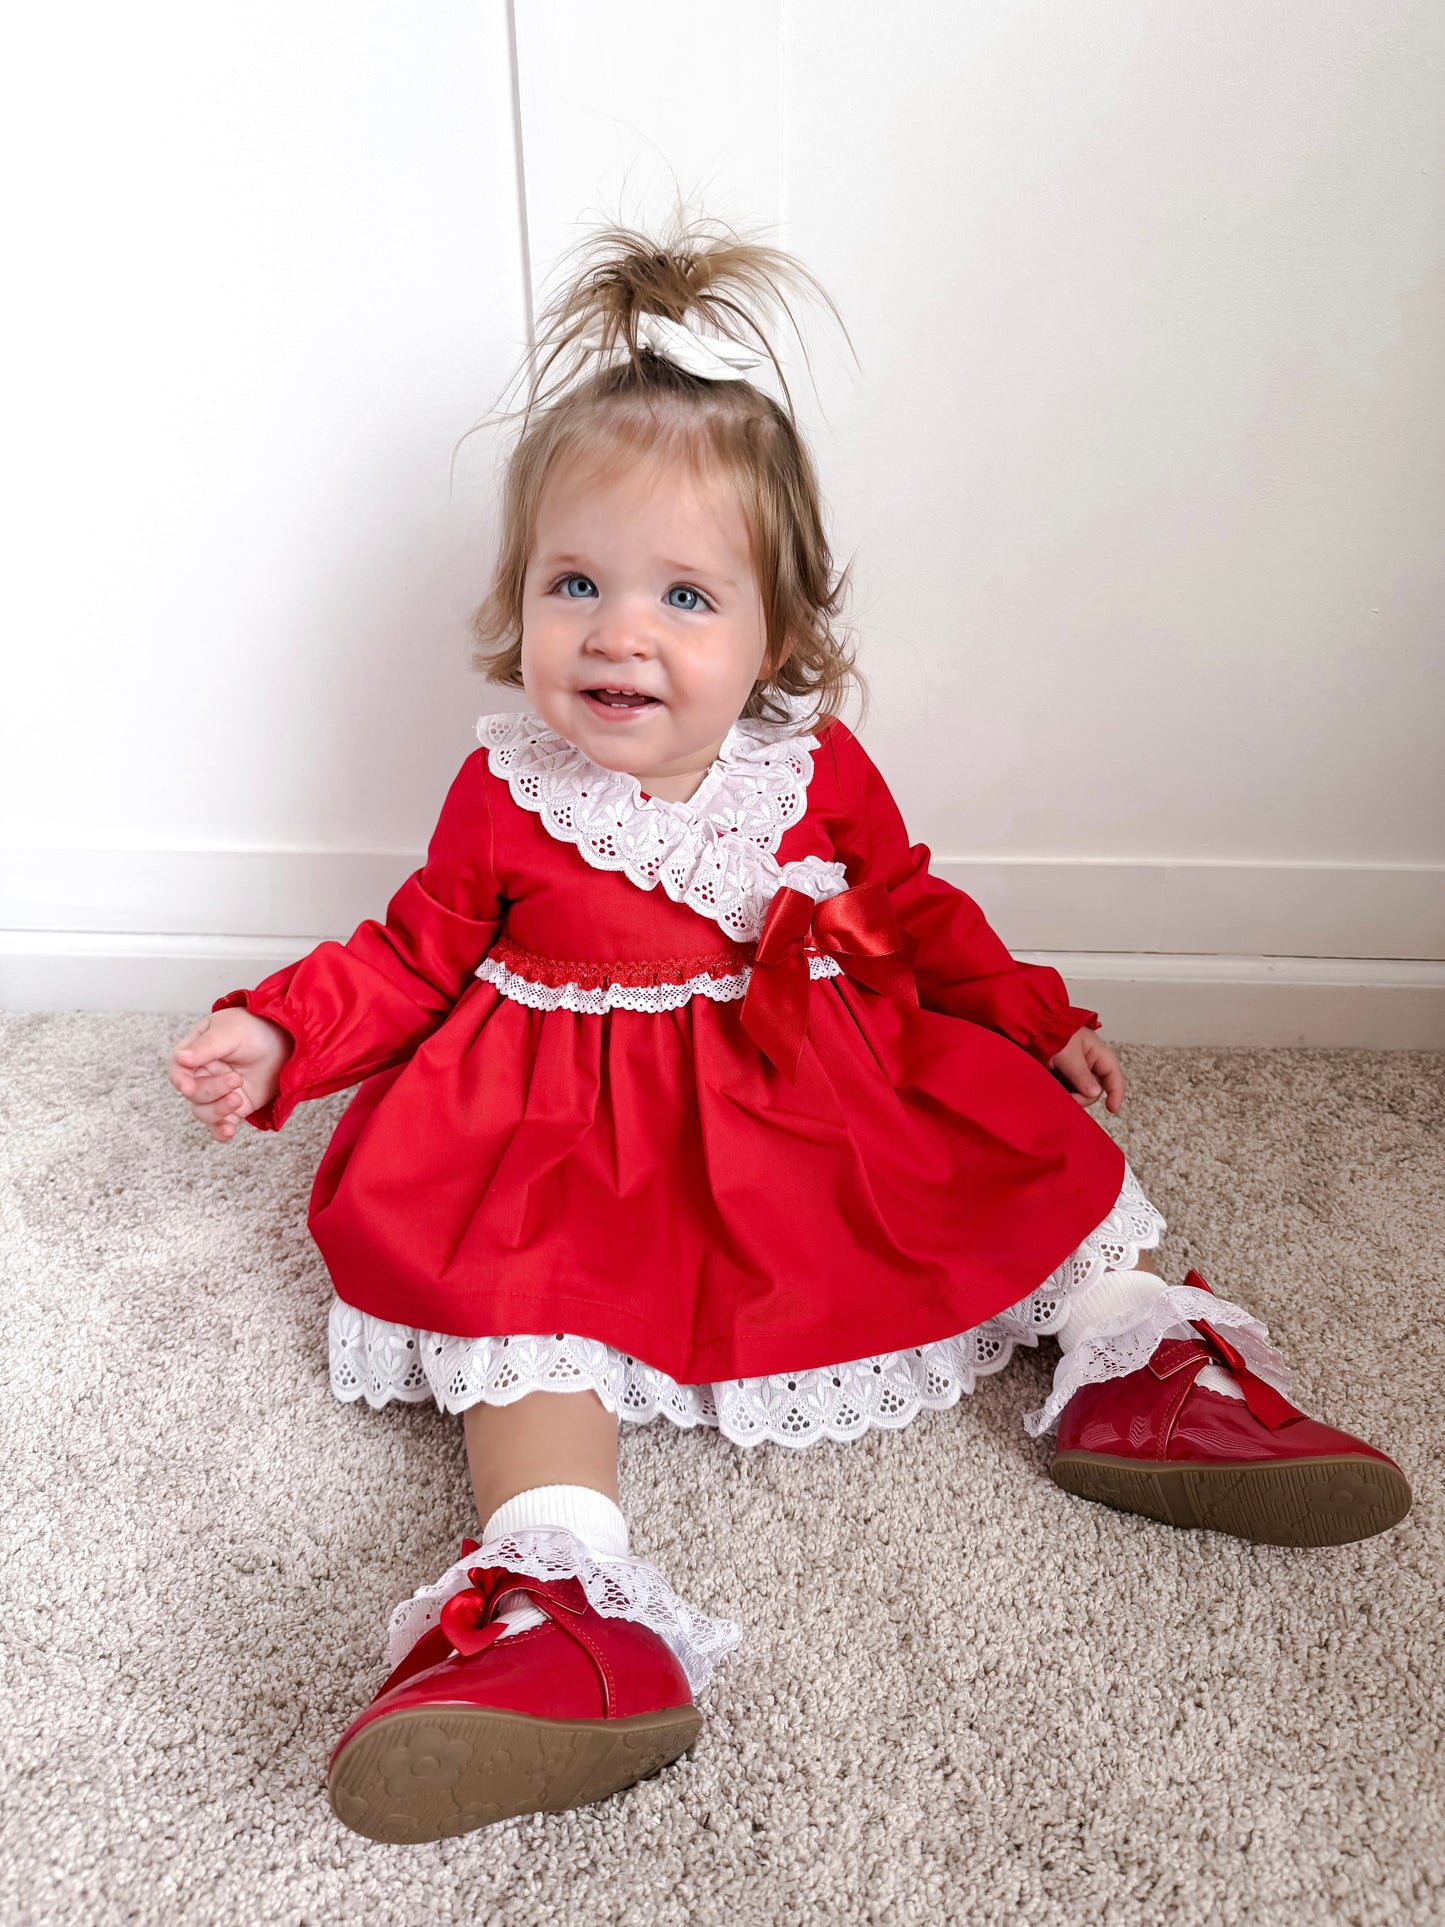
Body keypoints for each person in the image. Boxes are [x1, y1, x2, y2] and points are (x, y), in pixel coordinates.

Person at [168, 220, 1411, 1845]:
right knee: (519, 1314)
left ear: (778, 634)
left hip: (804, 1087)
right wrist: (280, 1030)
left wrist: (1022, 1016)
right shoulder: (504, 793)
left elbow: (903, 907)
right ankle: (558, 1598)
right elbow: (409, 955)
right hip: (562, 1131)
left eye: (684, 595)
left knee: (1005, 1162)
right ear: (519, 604)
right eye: (575, 586)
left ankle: (1140, 1364)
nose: (619, 633)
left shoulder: (811, 774)